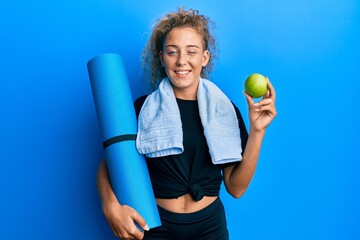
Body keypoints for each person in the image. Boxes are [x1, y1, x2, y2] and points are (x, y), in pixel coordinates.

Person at [96, 8, 277, 240]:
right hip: (154, 227)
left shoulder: (224, 110)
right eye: (172, 52)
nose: (182, 61)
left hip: (209, 228)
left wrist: (258, 131)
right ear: (162, 57)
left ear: (204, 58)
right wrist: (110, 206)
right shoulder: (143, 109)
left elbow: (236, 188)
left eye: (191, 52)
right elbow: (109, 163)